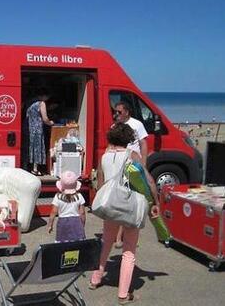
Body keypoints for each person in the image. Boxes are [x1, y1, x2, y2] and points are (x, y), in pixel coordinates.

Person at [90, 123, 159, 305]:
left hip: (110, 207)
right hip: (128, 207)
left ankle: (96, 278)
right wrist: (155, 202)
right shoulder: (131, 155)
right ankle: (123, 293)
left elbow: (100, 183)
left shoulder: (104, 157)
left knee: (106, 243)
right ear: (128, 139)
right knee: (129, 250)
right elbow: (149, 181)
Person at [113, 101, 149, 248]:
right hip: (120, 167)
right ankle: (119, 234)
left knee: (129, 199)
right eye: (115, 112)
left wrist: (144, 164)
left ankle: (119, 237)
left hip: (133, 166)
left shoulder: (137, 124)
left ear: (127, 112)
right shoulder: (115, 126)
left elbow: (144, 144)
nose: (116, 114)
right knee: (120, 199)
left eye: (119, 112)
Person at [47, 171, 86, 242]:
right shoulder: (79, 196)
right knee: (77, 242)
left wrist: (50, 224)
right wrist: (82, 224)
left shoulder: (58, 196)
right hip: (76, 221)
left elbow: (53, 212)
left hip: (62, 222)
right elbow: (82, 212)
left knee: (62, 242)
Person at [26, 89, 54, 176]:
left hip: (30, 128)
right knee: (38, 148)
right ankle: (35, 169)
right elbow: (45, 118)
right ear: (43, 96)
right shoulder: (41, 103)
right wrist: (51, 123)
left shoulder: (30, 104)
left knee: (32, 148)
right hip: (38, 129)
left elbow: (27, 116)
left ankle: (30, 167)